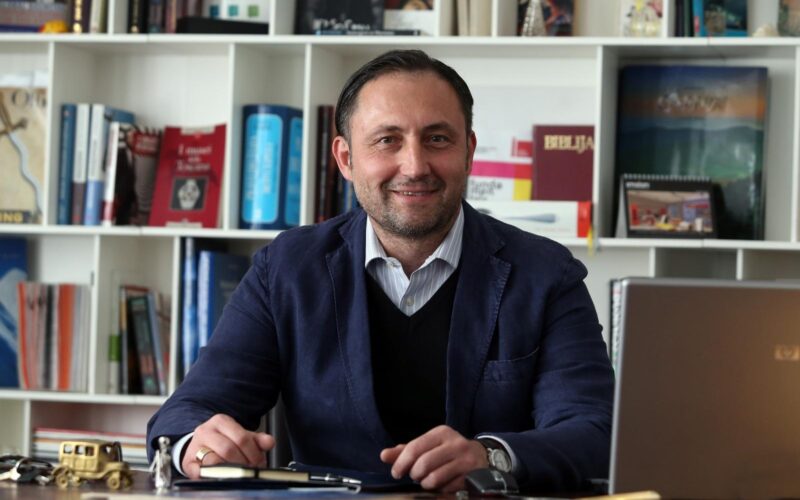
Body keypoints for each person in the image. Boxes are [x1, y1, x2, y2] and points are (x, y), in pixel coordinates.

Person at [147, 49, 614, 494]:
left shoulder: (546, 275)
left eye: (437, 139)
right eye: (387, 140)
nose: (415, 166)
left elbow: (595, 431)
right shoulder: (286, 269)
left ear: (468, 151)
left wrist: (492, 457)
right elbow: (187, 413)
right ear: (346, 159)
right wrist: (199, 446)